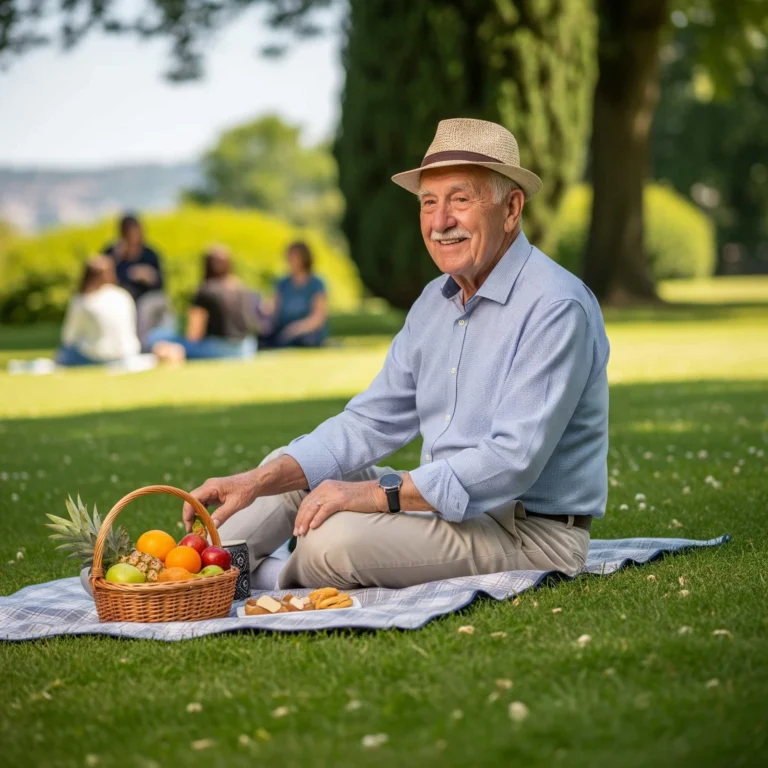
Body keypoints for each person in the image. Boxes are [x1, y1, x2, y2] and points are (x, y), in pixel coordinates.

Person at [183, 118, 610, 591]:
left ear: (511, 208)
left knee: (333, 540)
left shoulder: (555, 306)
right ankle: (180, 572)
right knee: (292, 467)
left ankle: (250, 580)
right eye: (429, 203)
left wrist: (375, 494)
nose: (440, 221)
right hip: (445, 511)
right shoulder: (434, 302)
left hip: (528, 533)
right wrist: (257, 480)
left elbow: (511, 460)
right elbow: (370, 422)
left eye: (460, 199)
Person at [149, 246, 257, 362]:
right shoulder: (240, 288)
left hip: (218, 349)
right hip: (247, 347)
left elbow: (194, 334)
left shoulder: (206, 291)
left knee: (156, 337)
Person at [103, 213, 172, 348]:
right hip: (120, 296)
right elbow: (104, 276)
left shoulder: (149, 254)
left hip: (145, 297)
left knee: (146, 306)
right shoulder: (113, 252)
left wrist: (149, 277)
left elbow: (161, 283)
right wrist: (120, 261)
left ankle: (141, 345)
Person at [57, 256, 141, 366]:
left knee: (66, 353)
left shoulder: (83, 300)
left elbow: (69, 336)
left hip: (98, 356)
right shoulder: (122, 294)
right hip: (129, 353)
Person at [260, 241, 329, 348]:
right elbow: (272, 307)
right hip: (284, 329)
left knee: (302, 341)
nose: (290, 261)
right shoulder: (283, 283)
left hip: (307, 332)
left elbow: (317, 318)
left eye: (293, 257)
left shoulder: (316, 283)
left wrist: (295, 329)